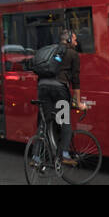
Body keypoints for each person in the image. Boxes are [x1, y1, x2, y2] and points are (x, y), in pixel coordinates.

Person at [35, 29, 87, 165]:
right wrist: (78, 102)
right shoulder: (72, 54)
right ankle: (64, 154)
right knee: (65, 121)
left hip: (42, 88)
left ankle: (36, 157)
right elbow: (75, 80)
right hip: (59, 89)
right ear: (69, 40)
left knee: (44, 122)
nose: (76, 43)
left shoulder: (51, 51)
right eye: (75, 40)